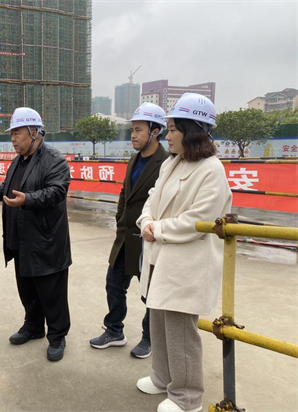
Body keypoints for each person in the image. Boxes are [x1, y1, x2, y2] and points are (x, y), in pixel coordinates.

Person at [135, 93, 232, 412]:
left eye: (174, 128)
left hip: (186, 263)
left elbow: (200, 219)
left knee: (180, 332)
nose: (168, 135)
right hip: (160, 257)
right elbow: (152, 198)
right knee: (159, 322)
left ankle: (187, 397)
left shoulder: (211, 170)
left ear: (192, 131)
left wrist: (158, 229)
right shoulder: (172, 162)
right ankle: (163, 377)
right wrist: (146, 221)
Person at [0, 107, 72, 362]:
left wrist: (28, 199)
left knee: (52, 292)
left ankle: (57, 336)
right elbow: (8, 188)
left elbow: (57, 191)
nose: (13, 139)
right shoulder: (18, 160)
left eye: (17, 133)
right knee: (27, 289)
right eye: (12, 134)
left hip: (45, 240)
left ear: (34, 131)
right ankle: (33, 326)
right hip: (21, 238)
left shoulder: (54, 159)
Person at [89, 103, 169, 359]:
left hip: (149, 239)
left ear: (155, 131)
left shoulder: (167, 163)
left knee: (150, 294)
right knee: (114, 285)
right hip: (125, 237)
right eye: (132, 130)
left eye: (138, 130)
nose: (133, 135)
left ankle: (149, 338)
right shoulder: (134, 159)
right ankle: (114, 331)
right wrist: (121, 217)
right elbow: (126, 193)